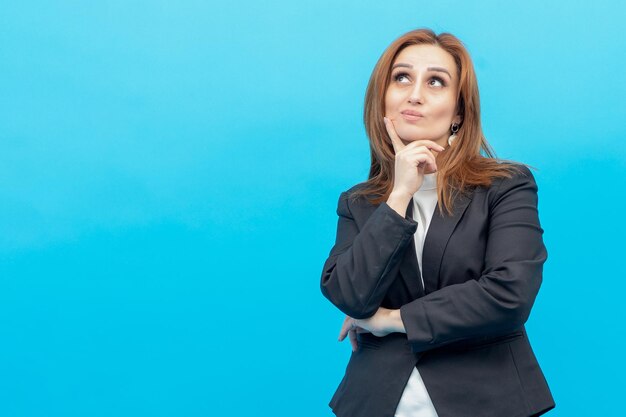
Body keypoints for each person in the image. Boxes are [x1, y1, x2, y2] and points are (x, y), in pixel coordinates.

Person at [319, 28, 555, 417]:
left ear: (458, 112)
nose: (415, 94)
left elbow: (510, 293)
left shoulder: (506, 186)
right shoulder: (359, 203)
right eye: (402, 78)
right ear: (383, 98)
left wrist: (392, 320)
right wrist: (398, 196)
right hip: (377, 401)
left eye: (435, 81)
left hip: (489, 400)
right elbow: (348, 295)